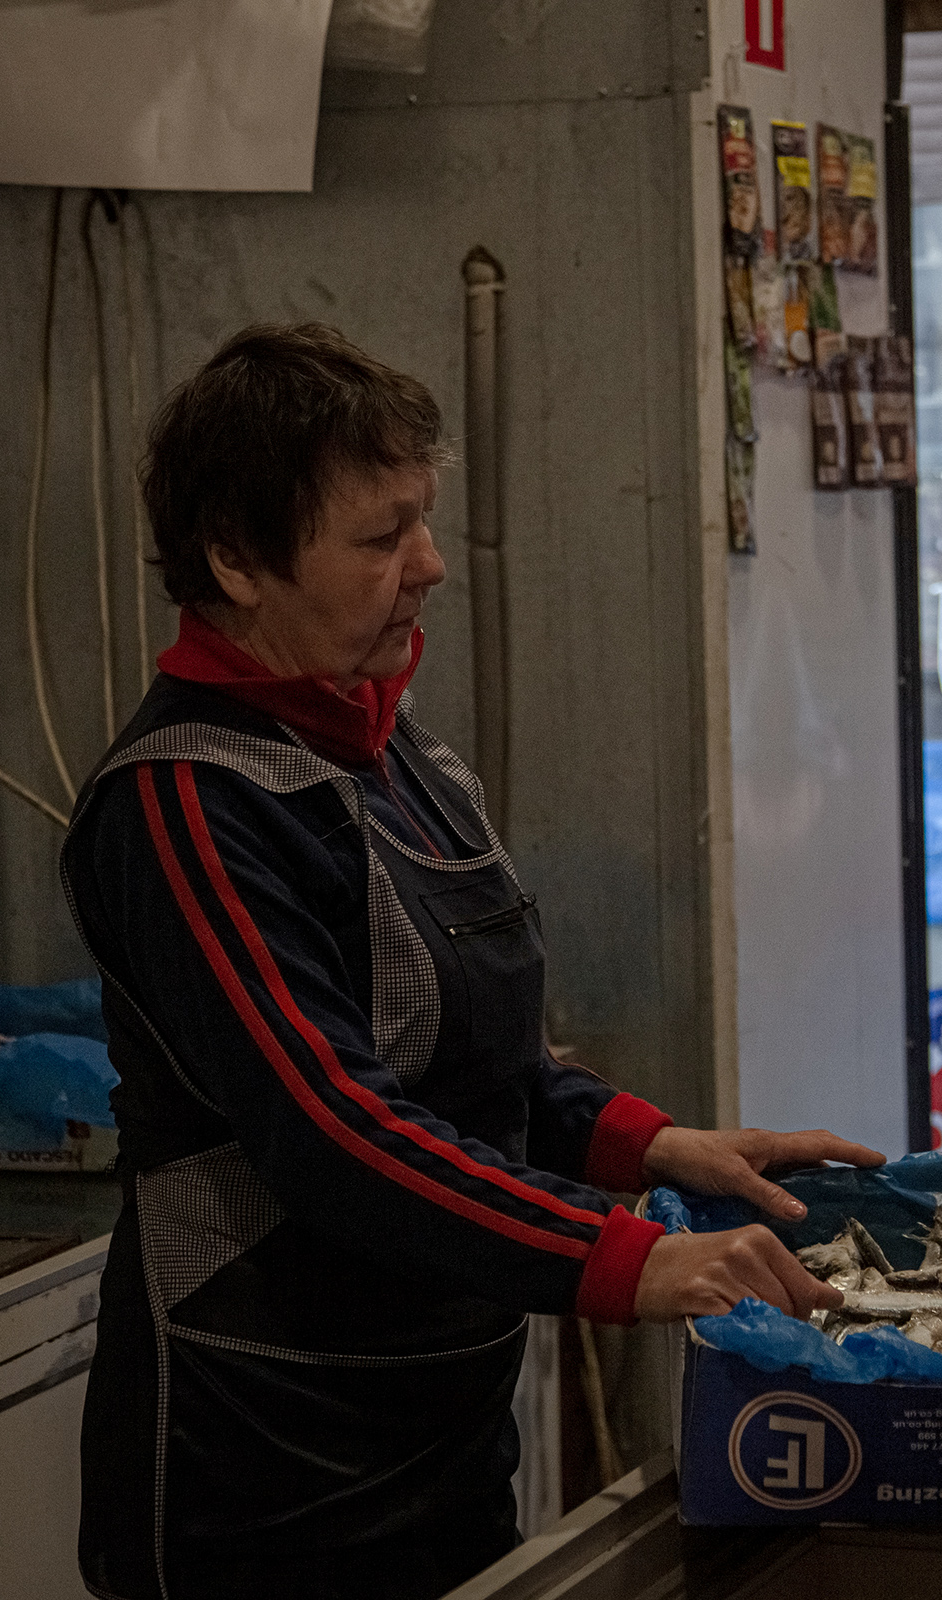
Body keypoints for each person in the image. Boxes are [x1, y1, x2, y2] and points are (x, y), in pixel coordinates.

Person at [62, 323, 880, 1600]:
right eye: (381, 537)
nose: (432, 566)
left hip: (438, 1427)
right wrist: (631, 1260)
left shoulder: (405, 763)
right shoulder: (184, 804)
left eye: (424, 524)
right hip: (265, 1466)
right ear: (235, 558)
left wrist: (663, 1149)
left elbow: (477, 1062)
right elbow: (334, 1129)